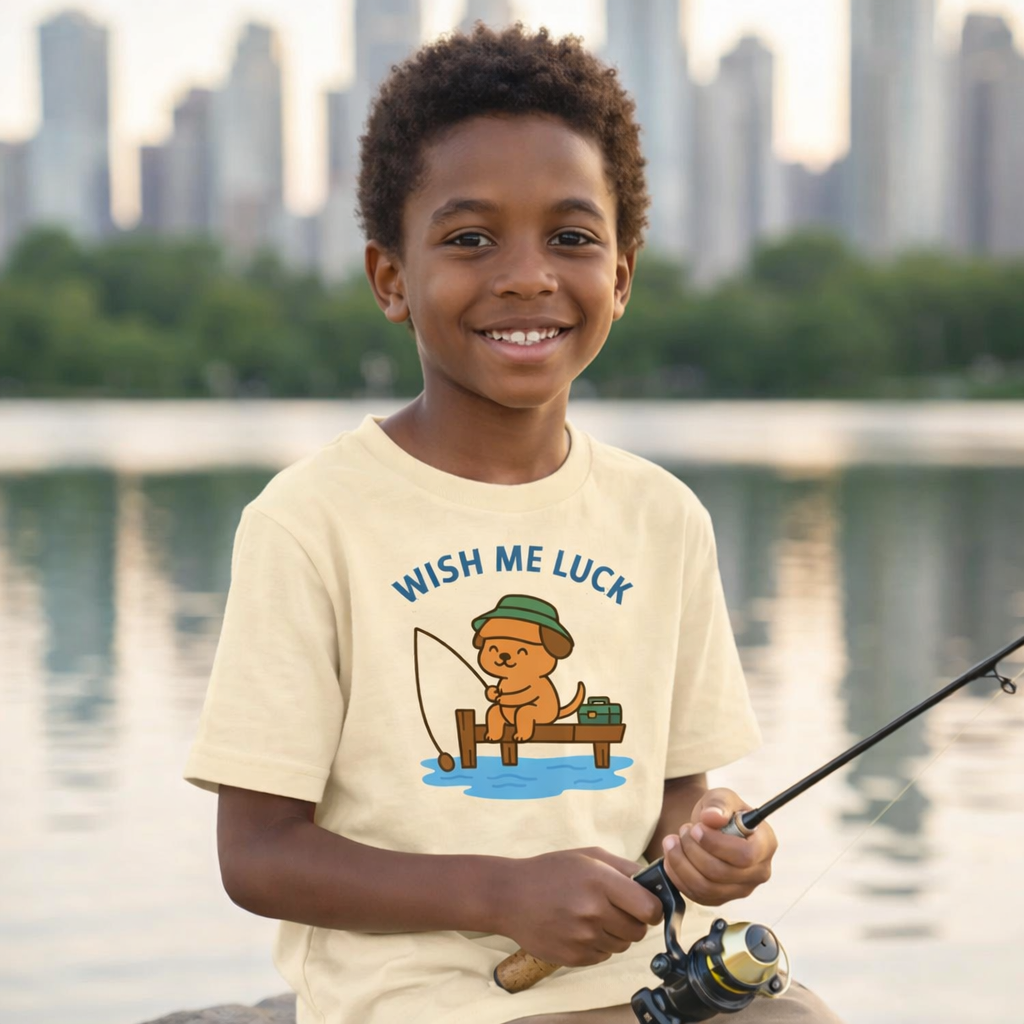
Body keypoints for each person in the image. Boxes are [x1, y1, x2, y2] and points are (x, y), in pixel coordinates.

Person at [183, 22, 845, 1024]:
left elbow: (679, 797)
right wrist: (500, 891)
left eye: (572, 238)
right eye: (469, 238)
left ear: (621, 275)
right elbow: (259, 854)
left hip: (640, 992)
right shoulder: (308, 520)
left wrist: (710, 844)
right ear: (391, 278)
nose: (527, 275)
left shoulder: (663, 517)